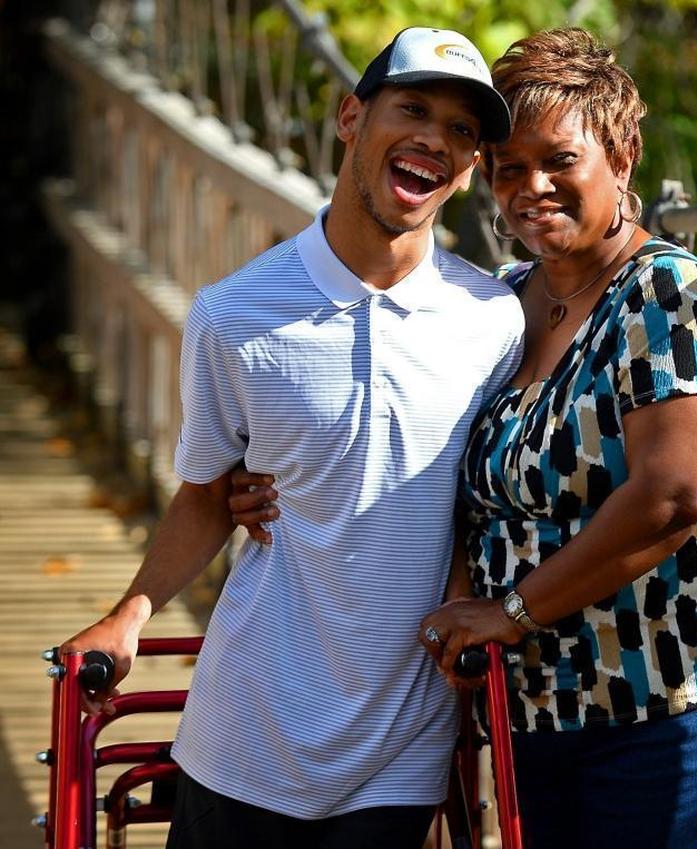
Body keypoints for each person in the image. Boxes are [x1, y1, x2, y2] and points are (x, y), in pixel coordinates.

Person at [236, 27, 697, 849]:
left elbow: (678, 493)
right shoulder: (498, 304)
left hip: (680, 697)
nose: (531, 186)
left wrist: (513, 608)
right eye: (507, 169)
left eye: (559, 161)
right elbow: (414, 441)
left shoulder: (670, 293)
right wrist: (257, 480)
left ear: (623, 157)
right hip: (537, 705)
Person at [61, 26, 523, 849]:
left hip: (401, 740)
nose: (434, 139)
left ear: (472, 168)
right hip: (244, 731)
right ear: (350, 119)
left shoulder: (494, 320)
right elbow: (207, 495)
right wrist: (127, 613)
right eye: (411, 108)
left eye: (462, 130)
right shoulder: (233, 314)